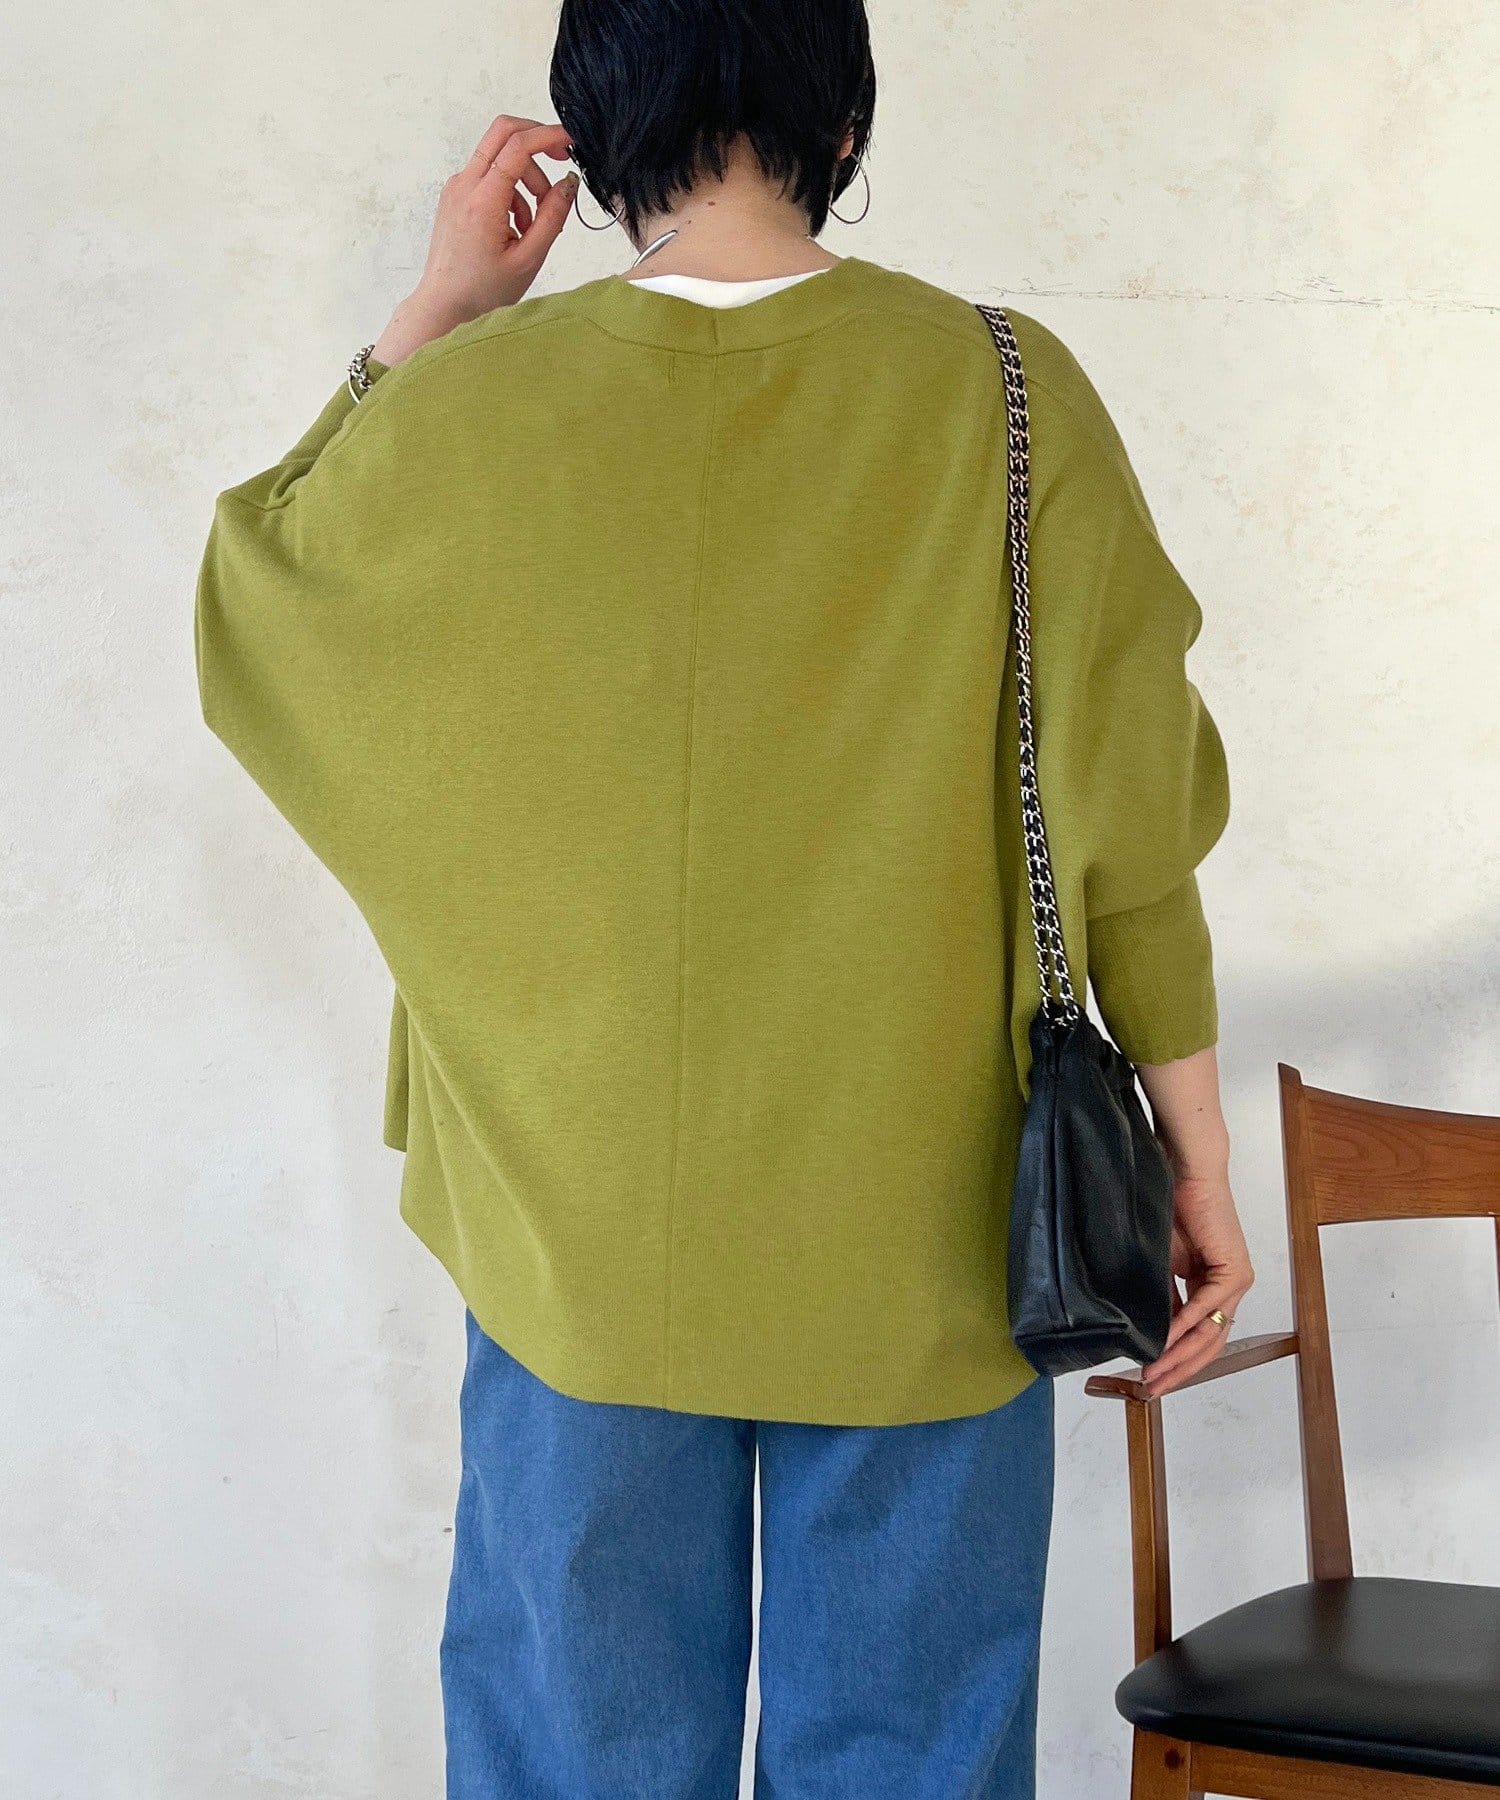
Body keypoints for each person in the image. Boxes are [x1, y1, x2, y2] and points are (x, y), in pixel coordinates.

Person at [194, 0, 1254, 1792]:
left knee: (576, 1757)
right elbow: (1131, 819)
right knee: (914, 1760)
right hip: (929, 1230)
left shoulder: (470, 409)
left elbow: (257, 608)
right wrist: (1198, 1160)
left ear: (596, 129)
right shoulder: (1009, 391)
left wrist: (438, 312)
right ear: (841, 119)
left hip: (572, 1226)